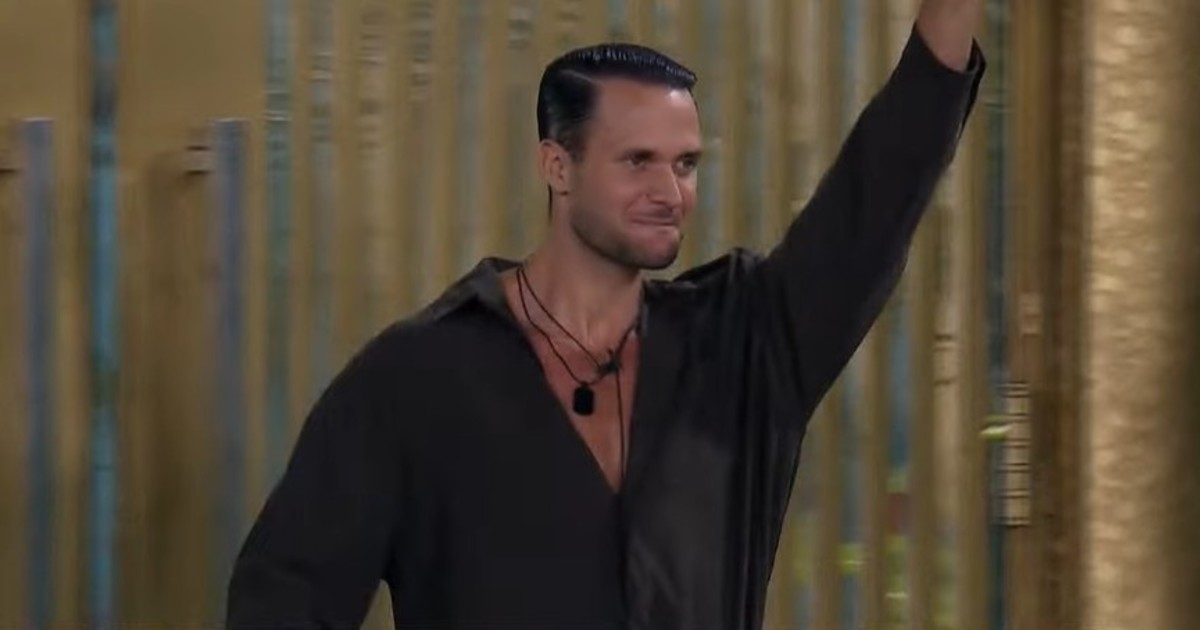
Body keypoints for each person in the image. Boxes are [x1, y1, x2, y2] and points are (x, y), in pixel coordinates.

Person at [226, 1, 985, 627]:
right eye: (637, 161)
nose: (670, 192)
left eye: (685, 164)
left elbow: (877, 196)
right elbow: (286, 598)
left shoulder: (743, 347)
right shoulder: (413, 380)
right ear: (558, 166)